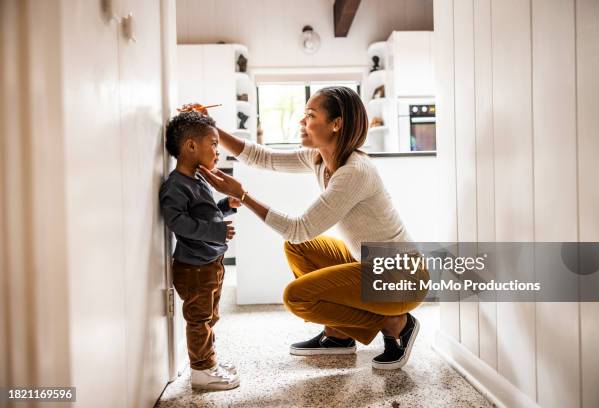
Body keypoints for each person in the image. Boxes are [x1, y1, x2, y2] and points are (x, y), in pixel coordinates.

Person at [191, 86, 429, 371]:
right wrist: (210, 126)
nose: (301, 122)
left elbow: (299, 228)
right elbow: (260, 157)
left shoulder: (354, 171)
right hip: (369, 263)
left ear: (336, 124)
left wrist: (243, 196)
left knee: (298, 296)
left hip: (402, 277)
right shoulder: (319, 158)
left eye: (310, 115)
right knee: (298, 248)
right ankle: (339, 335)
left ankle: (397, 323)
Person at [159, 112, 241, 389]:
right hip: (194, 267)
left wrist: (224, 208)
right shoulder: (176, 185)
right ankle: (202, 370)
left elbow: (203, 216)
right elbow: (178, 223)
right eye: (214, 143)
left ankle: (210, 360)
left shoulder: (197, 179)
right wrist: (217, 231)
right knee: (200, 319)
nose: (218, 150)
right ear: (191, 146)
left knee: (211, 316)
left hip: (209, 263)